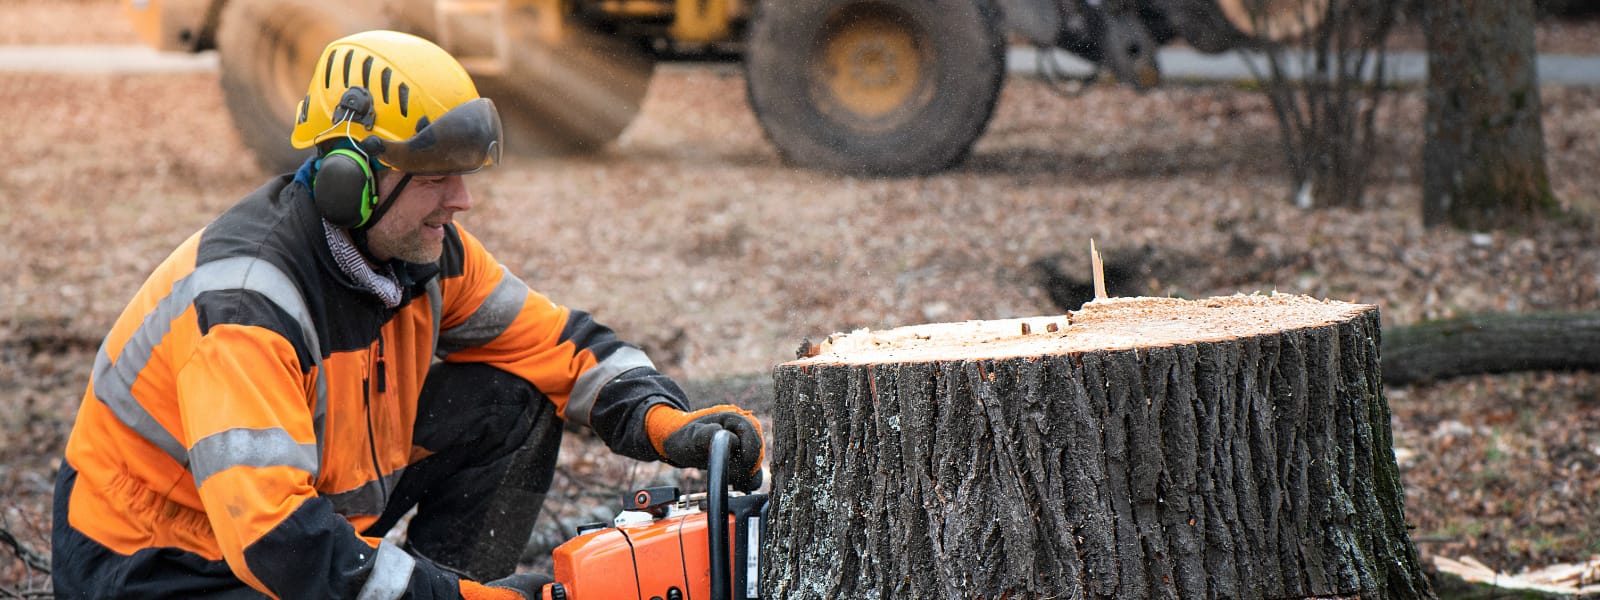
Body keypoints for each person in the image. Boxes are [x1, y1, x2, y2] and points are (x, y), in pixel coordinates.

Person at [51, 30, 764, 600]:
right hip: (160, 565)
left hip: (298, 528)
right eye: (434, 180)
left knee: (512, 402)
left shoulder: (424, 254)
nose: (461, 201)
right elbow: (281, 546)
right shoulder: (247, 308)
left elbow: (556, 343)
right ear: (350, 181)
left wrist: (663, 422)